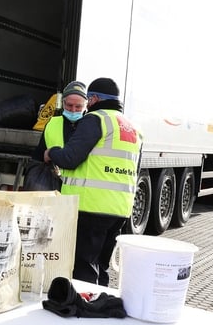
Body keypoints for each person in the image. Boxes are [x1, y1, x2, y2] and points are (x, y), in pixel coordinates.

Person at [45, 77, 143, 286]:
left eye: (88, 99)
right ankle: (101, 306)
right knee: (101, 266)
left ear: (95, 98)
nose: (86, 104)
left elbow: (70, 159)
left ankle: (83, 310)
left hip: (91, 207)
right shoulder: (133, 128)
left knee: (84, 267)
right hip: (120, 209)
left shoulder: (95, 119)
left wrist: (51, 152)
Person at [25, 80, 89, 190]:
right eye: (69, 105)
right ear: (63, 103)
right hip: (54, 188)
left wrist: (51, 153)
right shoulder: (52, 124)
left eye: (78, 107)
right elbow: (38, 157)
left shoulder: (90, 126)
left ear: (86, 106)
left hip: (80, 193)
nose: (73, 110)